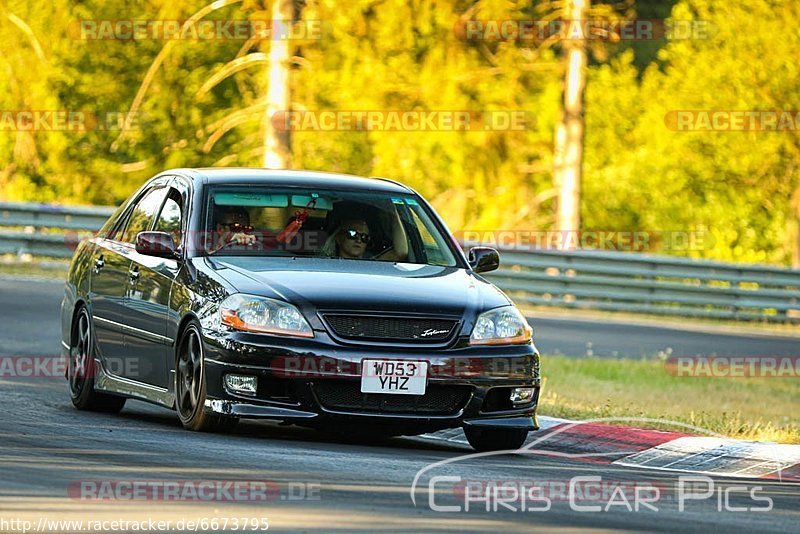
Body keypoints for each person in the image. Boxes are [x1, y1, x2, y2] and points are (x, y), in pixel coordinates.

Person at [322, 209, 408, 261]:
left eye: (364, 237)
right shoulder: (323, 264)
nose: (358, 240)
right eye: (353, 234)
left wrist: (393, 213)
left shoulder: (372, 266)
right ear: (338, 238)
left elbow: (400, 252)